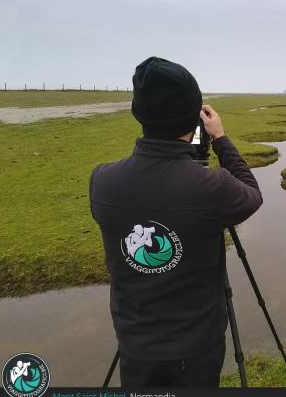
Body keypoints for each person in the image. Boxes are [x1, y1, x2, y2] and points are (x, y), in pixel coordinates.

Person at [89, 57, 262, 387]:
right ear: (194, 116)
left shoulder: (102, 182)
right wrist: (221, 139)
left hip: (135, 344)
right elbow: (251, 193)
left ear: (138, 113)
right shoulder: (211, 189)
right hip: (196, 346)